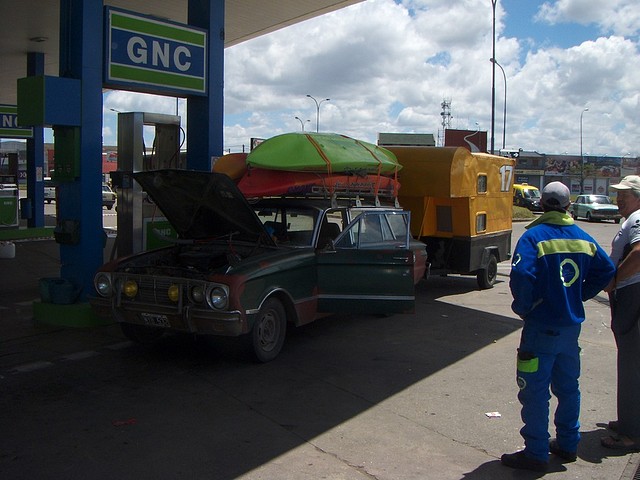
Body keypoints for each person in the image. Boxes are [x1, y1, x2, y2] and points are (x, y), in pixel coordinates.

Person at [502, 182, 616, 472]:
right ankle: (567, 443)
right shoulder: (583, 238)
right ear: (568, 206)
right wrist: (580, 294)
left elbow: (522, 274)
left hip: (540, 328)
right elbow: (606, 270)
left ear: (542, 204)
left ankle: (536, 452)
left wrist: (524, 307)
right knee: (568, 387)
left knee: (534, 391)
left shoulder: (534, 237)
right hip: (570, 329)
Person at [601, 175, 640, 453]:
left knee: (631, 366)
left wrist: (615, 278)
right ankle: (630, 421)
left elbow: (639, 253)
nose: (618, 198)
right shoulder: (631, 218)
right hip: (629, 295)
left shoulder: (638, 218)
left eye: (624, 194)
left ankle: (631, 433)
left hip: (632, 295)